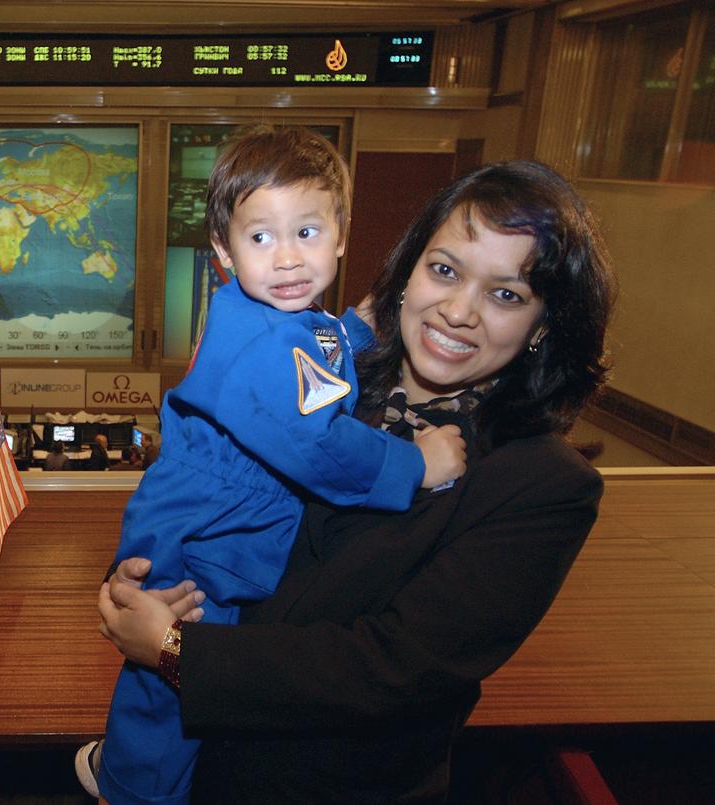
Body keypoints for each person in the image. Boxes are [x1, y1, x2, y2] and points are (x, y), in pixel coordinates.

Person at [97, 159, 616, 803]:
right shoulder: (326, 375)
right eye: (445, 270)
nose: (458, 310)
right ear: (409, 271)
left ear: (542, 325)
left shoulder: (541, 483)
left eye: (506, 294)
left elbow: (392, 669)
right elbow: (207, 484)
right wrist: (143, 583)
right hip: (197, 762)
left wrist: (172, 651)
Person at [81, 125, 466, 805]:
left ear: (342, 234)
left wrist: (356, 327)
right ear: (224, 254)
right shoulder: (251, 341)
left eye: (308, 233)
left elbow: (313, 346)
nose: (287, 258)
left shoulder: (288, 318)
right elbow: (319, 444)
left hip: (224, 519)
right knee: (169, 681)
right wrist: (417, 464)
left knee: (189, 672)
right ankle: (129, 785)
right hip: (200, 531)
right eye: (260, 237)